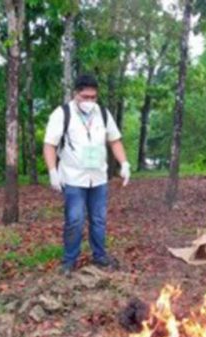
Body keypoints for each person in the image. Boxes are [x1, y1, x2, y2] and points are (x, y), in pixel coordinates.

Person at [43, 74, 130, 276]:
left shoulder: (103, 114)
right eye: (85, 97)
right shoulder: (62, 114)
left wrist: (124, 163)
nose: (89, 101)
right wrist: (52, 171)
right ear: (76, 94)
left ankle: (99, 255)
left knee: (98, 219)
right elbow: (49, 144)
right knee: (75, 219)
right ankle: (69, 260)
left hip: (98, 177)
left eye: (93, 97)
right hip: (73, 177)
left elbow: (114, 140)